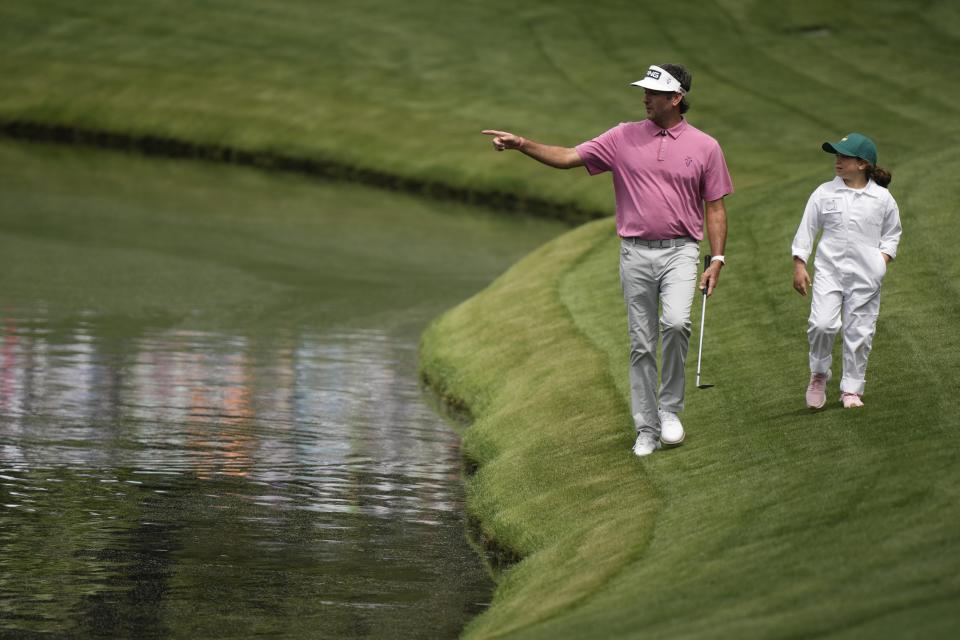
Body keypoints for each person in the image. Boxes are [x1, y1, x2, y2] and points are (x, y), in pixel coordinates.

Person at [482, 63, 733, 457]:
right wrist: (522, 144)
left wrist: (717, 257)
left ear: (676, 98)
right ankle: (646, 429)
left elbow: (715, 207)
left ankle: (669, 410)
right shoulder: (623, 136)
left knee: (677, 323)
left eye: (653, 92)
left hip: (681, 250)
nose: (644, 98)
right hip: (635, 252)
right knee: (641, 344)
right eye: (644, 91)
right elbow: (568, 157)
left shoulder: (706, 147)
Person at [791, 133, 902, 409]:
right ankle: (818, 373)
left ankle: (851, 390)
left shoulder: (882, 198)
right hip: (829, 272)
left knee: (860, 332)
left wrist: (881, 260)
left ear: (863, 164)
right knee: (822, 325)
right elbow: (807, 230)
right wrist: (799, 264)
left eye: (844, 157)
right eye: (837, 156)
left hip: (866, 277)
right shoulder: (824, 192)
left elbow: (892, 234)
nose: (838, 161)